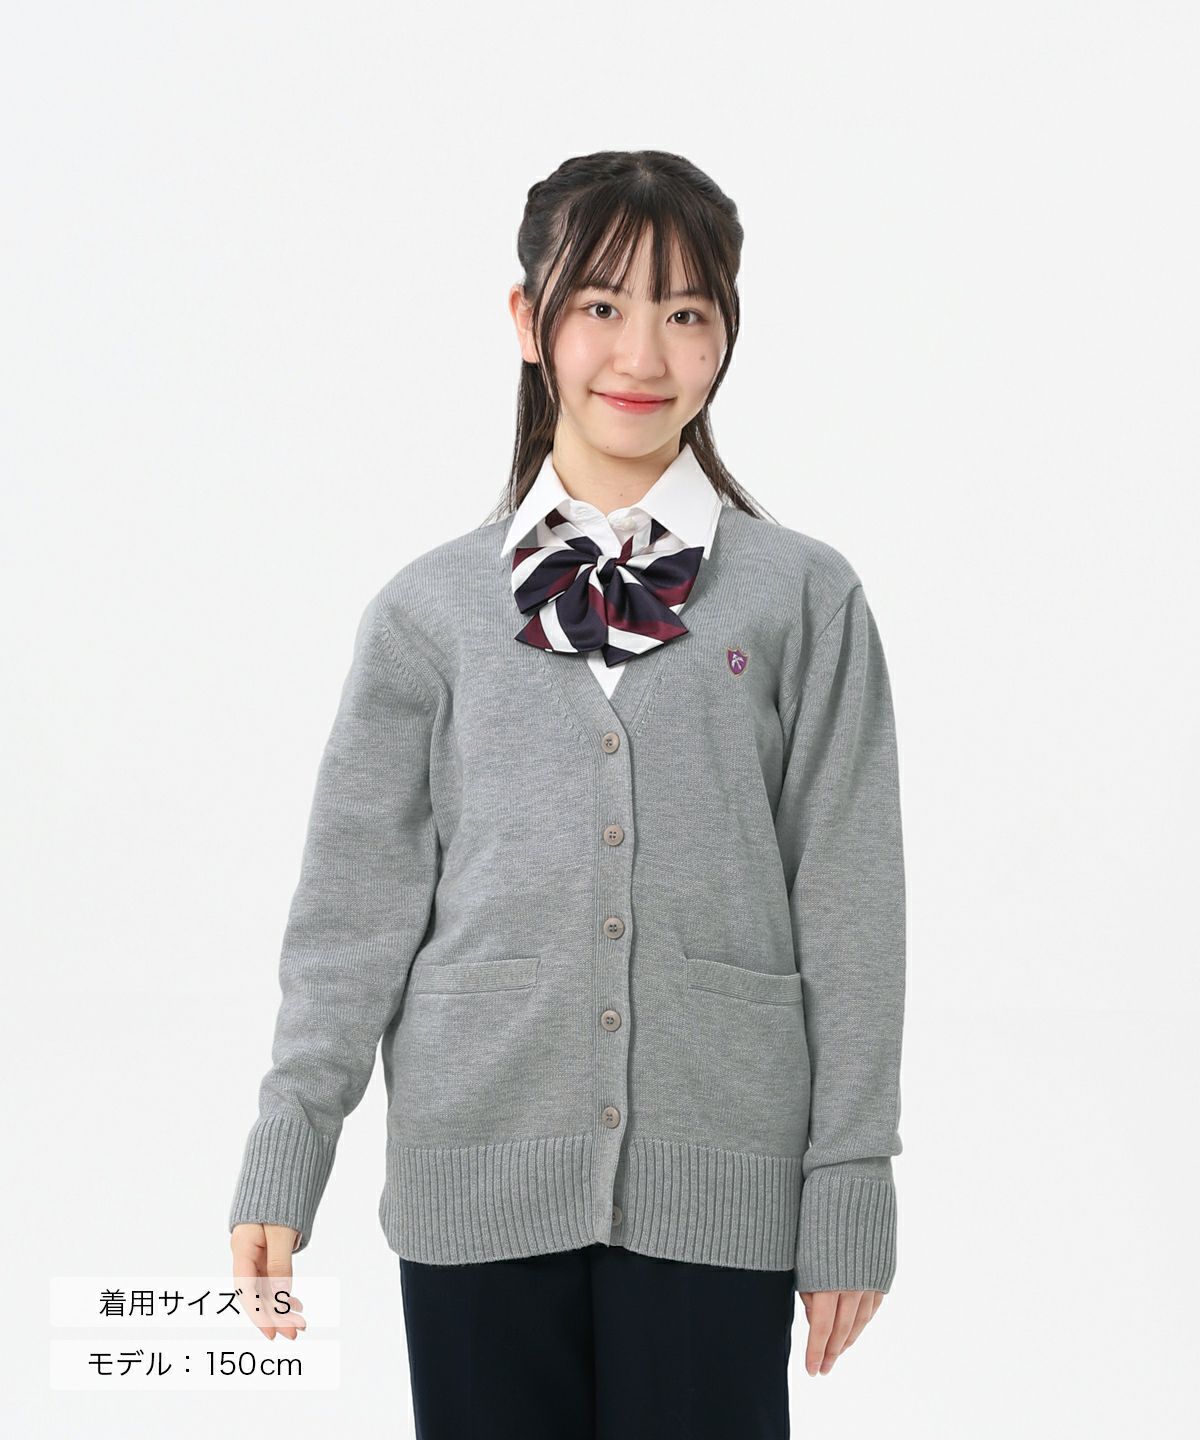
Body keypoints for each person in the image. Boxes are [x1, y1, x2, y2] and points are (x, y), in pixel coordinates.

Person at [229, 148, 907, 1439]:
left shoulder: (805, 600)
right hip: (472, 1169)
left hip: (722, 1180)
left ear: (726, 336)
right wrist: (290, 1143)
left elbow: (852, 905)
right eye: (602, 304)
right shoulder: (428, 613)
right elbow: (354, 911)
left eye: (686, 310)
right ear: (527, 320)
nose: (642, 352)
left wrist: (850, 1178)